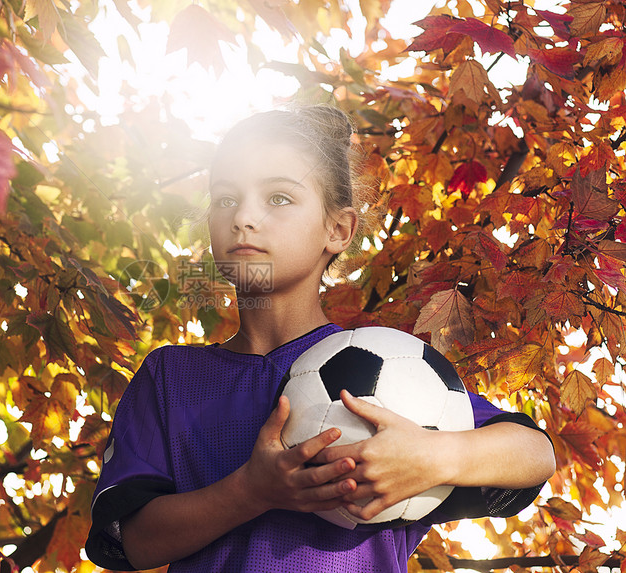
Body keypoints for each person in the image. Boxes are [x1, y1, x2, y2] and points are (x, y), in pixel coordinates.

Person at [85, 106, 556, 572]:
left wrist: (432, 456)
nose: (243, 217)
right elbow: (132, 543)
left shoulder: (398, 370)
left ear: (338, 229)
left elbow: (535, 454)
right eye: (225, 199)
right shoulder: (171, 377)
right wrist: (251, 491)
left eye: (279, 199)